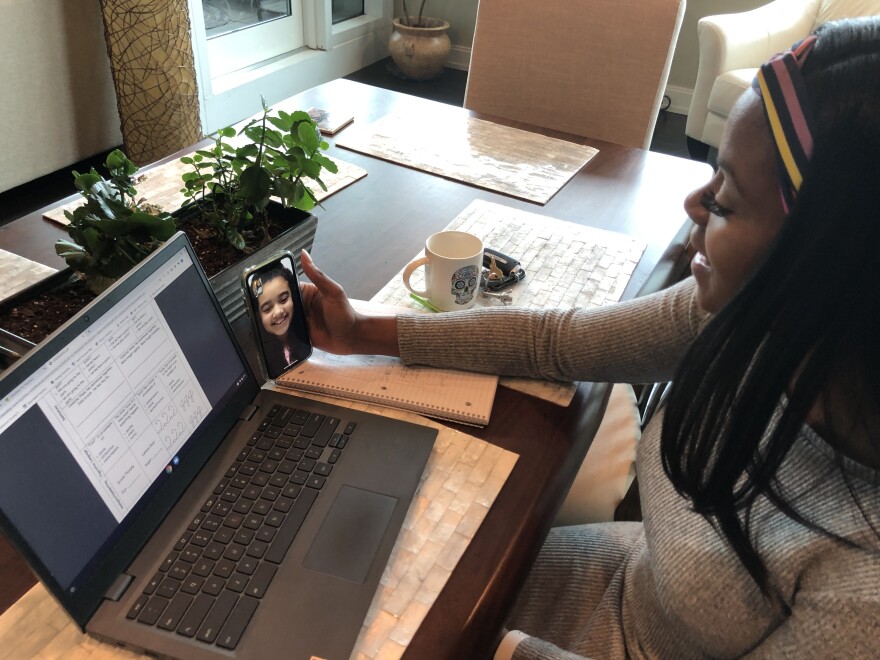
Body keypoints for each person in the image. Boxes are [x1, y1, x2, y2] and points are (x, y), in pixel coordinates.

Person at [298, 18, 880, 658]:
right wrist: (362, 330)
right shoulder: (753, 314)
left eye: (728, 201)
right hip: (622, 583)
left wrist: (493, 648)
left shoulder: (865, 593)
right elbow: (557, 341)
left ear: (828, 262)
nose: (695, 204)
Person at [250, 265, 308, 377]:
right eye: (267, 308)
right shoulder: (259, 358)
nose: (277, 312)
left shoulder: (308, 335)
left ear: (294, 297)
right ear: (258, 315)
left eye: (283, 299)